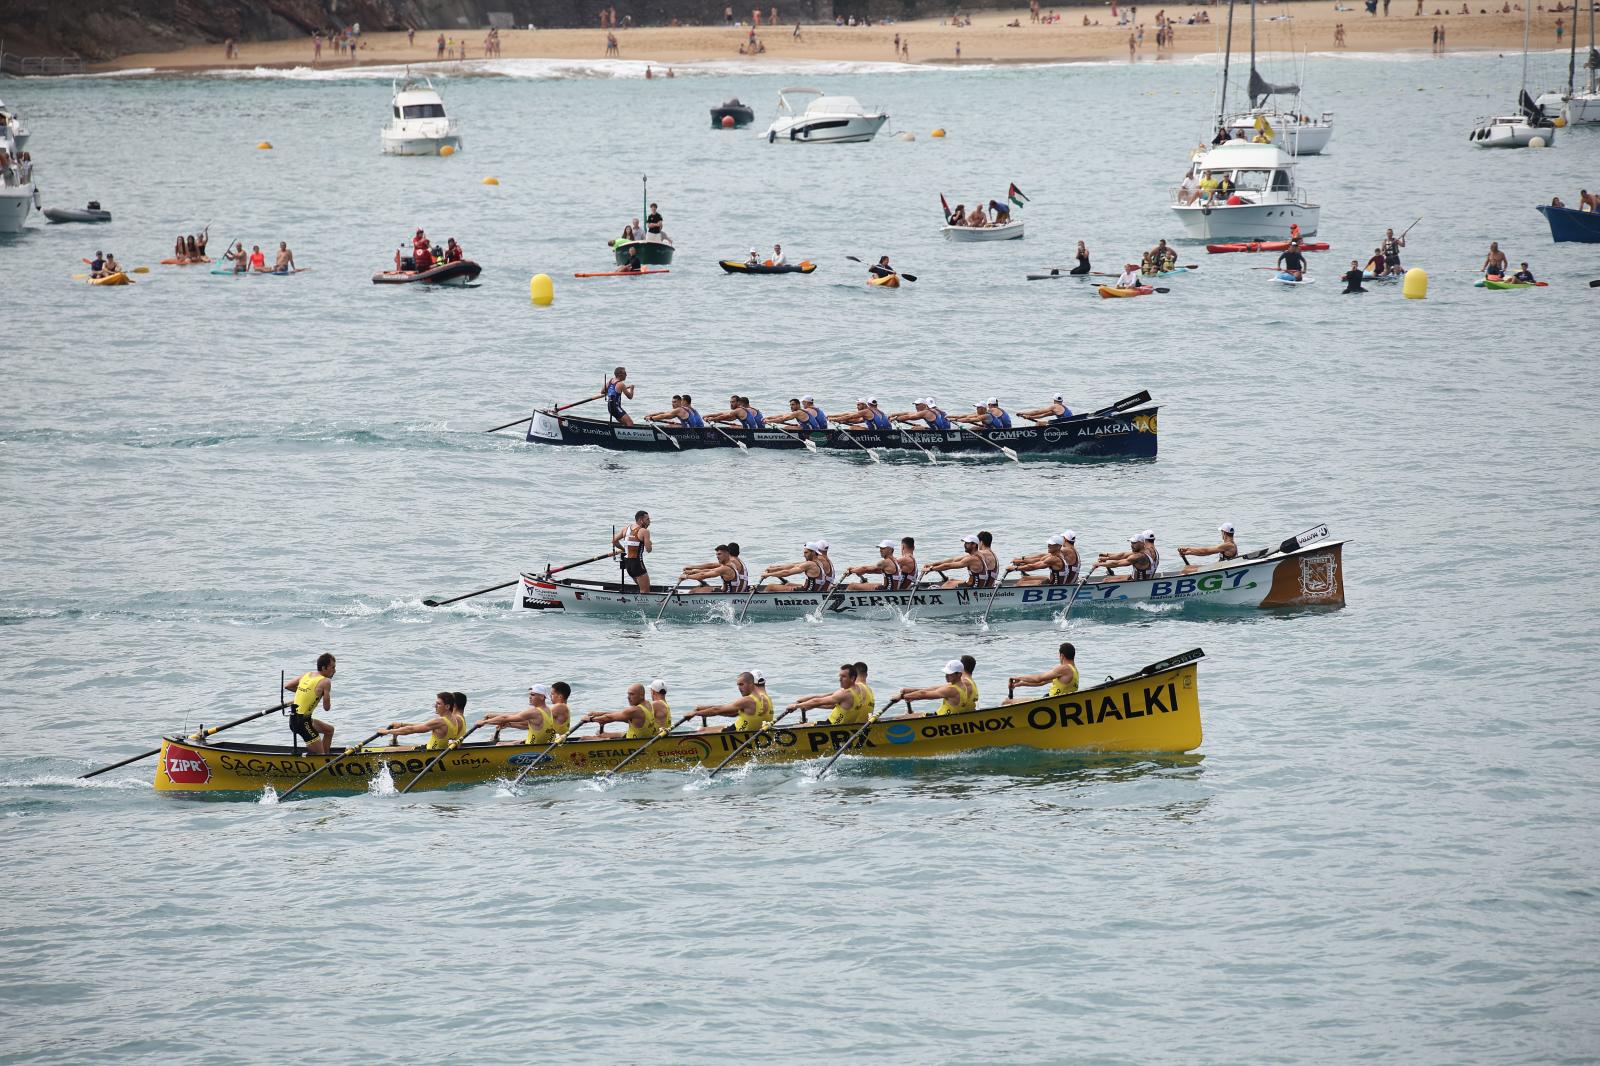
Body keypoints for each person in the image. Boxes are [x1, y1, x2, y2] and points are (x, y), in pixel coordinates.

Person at [479, 683, 570, 745]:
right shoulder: (546, 710)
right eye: (530, 694)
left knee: (499, 745)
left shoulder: (559, 707)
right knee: (504, 743)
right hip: (547, 741)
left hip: (553, 742)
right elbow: (529, 723)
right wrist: (509, 724)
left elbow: (520, 717)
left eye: (533, 695)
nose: (529, 697)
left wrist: (485, 722)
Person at [283, 652, 337, 754]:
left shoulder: (307, 675)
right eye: (332, 667)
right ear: (324, 668)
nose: (334, 671)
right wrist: (322, 695)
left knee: (329, 730)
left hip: (295, 719)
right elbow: (327, 708)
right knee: (320, 756)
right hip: (302, 723)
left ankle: (326, 756)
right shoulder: (326, 682)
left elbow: (288, 686)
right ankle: (322, 758)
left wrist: (306, 693)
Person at [580, 682, 671, 738]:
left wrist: (590, 719)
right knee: (604, 735)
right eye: (628, 694)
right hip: (640, 737)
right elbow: (622, 715)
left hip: (634, 744)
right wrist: (599, 714)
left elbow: (610, 718)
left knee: (584, 738)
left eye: (631, 694)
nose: (628, 697)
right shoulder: (648, 705)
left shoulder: (645, 707)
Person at [787, 663, 870, 725]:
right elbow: (828, 702)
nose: (840, 679)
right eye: (840, 676)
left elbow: (818, 701)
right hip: (844, 726)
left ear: (853, 678)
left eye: (843, 677)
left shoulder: (845, 693)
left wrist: (796, 706)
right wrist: (806, 704)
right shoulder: (861, 688)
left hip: (832, 725)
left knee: (798, 727)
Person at [380, 691, 467, 750]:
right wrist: (401, 725)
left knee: (388, 750)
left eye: (438, 704)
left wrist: (388, 731)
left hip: (430, 752)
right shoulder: (453, 719)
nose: (434, 706)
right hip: (436, 750)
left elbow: (412, 730)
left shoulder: (441, 721)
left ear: (448, 706)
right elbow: (425, 725)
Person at [895, 659, 977, 718]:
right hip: (942, 717)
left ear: (959, 674)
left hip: (939, 718)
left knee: (899, 718)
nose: (946, 676)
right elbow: (933, 689)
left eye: (949, 673)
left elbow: (924, 694)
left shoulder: (951, 690)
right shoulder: (963, 685)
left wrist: (901, 697)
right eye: (946, 673)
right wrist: (910, 692)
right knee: (911, 715)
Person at [694, 672, 772, 732]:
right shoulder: (767, 699)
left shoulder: (748, 700)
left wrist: (698, 713)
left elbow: (718, 710)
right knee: (722, 726)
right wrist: (706, 709)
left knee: (701, 730)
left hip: (739, 732)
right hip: (751, 730)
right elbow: (731, 712)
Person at [1004, 643, 1079, 704]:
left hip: (1050, 701)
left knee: (1007, 702)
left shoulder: (1064, 668)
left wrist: (1019, 678)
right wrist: (1020, 684)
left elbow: (1038, 679)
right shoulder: (1074, 671)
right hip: (1054, 701)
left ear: (1062, 656)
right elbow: (1042, 682)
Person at [923, 533, 991, 588]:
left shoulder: (972, 559)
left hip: (974, 587)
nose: (964, 545)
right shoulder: (977, 554)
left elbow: (948, 566)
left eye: (967, 543)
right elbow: (953, 560)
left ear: (974, 545)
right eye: (965, 543)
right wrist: (932, 564)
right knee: (951, 580)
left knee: (948, 584)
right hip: (975, 584)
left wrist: (931, 569)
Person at [1011, 532, 1080, 586]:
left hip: (1056, 586)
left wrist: (1015, 568)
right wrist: (1022, 561)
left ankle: (1012, 594)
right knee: (1024, 578)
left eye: (1051, 544)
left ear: (1059, 546)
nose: (1048, 545)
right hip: (1060, 581)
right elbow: (1041, 558)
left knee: (1021, 583)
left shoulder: (1062, 554)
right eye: (1049, 543)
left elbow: (1034, 566)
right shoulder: (1060, 553)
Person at [679, 542, 749, 593]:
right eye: (717, 554)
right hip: (736, 591)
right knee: (703, 587)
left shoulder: (732, 563)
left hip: (731, 595)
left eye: (719, 554)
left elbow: (705, 574)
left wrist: (687, 576)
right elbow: (712, 569)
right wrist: (693, 571)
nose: (717, 557)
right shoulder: (732, 563)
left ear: (728, 553)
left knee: (694, 591)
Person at [760, 542, 830, 592]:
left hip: (807, 592)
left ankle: (762, 604)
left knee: (770, 586)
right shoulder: (818, 562)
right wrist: (774, 568)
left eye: (806, 553)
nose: (804, 555)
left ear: (813, 552)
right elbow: (793, 565)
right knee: (788, 584)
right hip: (812, 589)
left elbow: (787, 572)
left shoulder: (810, 564)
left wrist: (768, 575)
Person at [613, 509, 652, 592]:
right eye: (647, 519)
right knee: (645, 591)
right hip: (637, 564)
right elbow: (649, 549)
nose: (649, 522)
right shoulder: (644, 531)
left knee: (641, 588)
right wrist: (649, 543)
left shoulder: (625, 529)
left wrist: (623, 549)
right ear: (641, 520)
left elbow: (614, 541)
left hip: (628, 564)